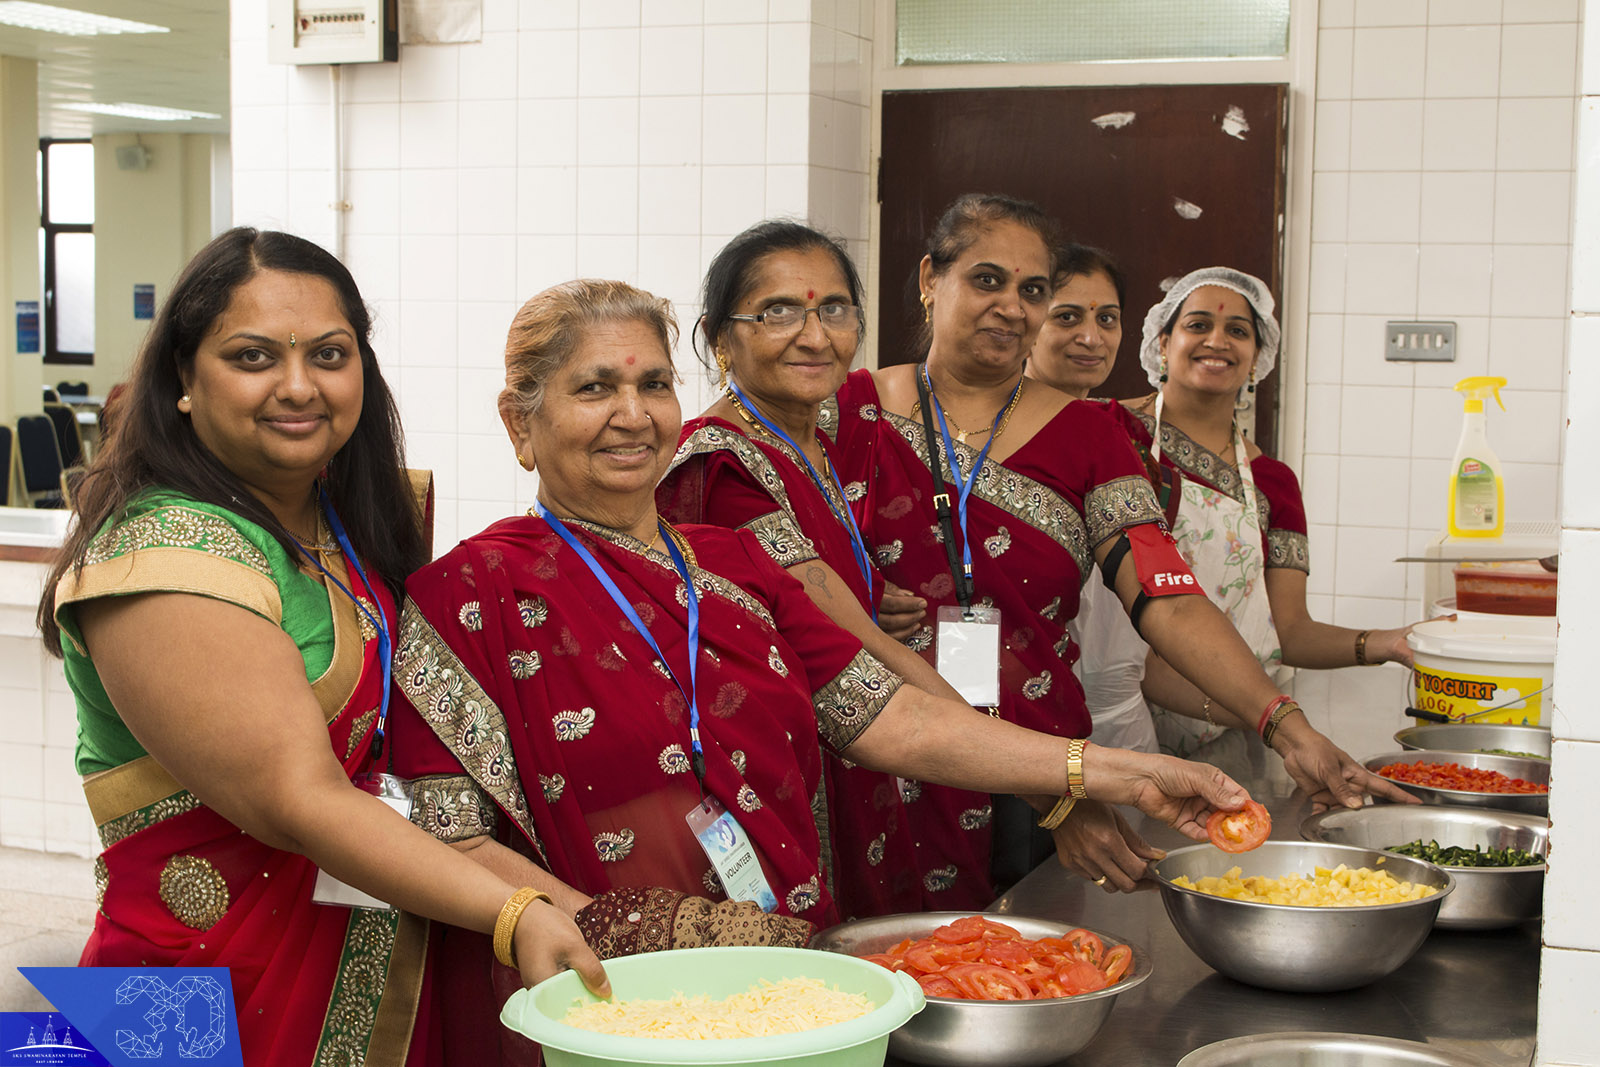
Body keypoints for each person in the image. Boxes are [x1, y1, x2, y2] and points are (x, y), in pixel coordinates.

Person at [389, 278, 1257, 978]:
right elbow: (448, 836)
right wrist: (637, 935)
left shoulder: (735, 565)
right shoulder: (468, 593)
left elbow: (899, 718)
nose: (635, 413)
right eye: (594, 387)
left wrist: (1118, 772)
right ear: (519, 422)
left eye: (654, 383)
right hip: (606, 991)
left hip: (787, 969)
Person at [36, 228, 605, 1067]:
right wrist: (513, 911)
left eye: (330, 354)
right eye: (253, 356)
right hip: (188, 1001)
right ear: (184, 382)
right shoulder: (158, 553)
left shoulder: (348, 520)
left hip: (376, 968)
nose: (298, 385)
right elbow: (300, 797)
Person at [833, 194, 1411, 904]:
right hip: (870, 763)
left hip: (1048, 775)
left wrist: (1287, 727)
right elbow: (776, 577)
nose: (1013, 306)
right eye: (987, 279)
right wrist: (854, 596)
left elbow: (1166, 595)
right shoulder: (844, 411)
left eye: (1033, 289)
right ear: (930, 278)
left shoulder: (1090, 437)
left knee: (1023, 971)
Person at [658, 220, 976, 919]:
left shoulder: (823, 437)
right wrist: (1048, 781)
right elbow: (859, 644)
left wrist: (863, 585)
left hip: (863, 741)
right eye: (777, 312)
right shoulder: (725, 464)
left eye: (833, 308)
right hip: (789, 763)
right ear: (719, 337)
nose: (814, 335)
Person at [1116, 266, 1421, 756]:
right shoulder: (1112, 434)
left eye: (1238, 331)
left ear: (1258, 357)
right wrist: (1271, 717)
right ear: (1162, 342)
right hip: (1119, 724)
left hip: (1230, 731)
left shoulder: (1274, 482)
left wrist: (1388, 643)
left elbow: (1291, 632)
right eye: (1198, 325)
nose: (1217, 340)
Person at [1023, 244, 1160, 755]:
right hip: (1014, 725)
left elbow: (1155, 596)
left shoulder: (1128, 437)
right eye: (1067, 317)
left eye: (1108, 318)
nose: (1092, 337)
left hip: (1121, 720)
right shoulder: (975, 441)